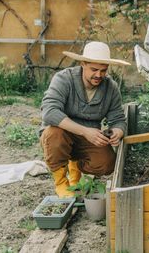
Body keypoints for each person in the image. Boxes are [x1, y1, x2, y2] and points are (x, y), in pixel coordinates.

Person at [40, 41, 130, 197]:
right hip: (62, 133)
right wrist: (84, 131)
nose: (99, 75)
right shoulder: (64, 79)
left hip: (88, 139)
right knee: (54, 134)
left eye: (103, 70)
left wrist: (117, 131)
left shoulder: (110, 88)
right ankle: (61, 183)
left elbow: (118, 119)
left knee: (107, 163)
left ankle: (75, 170)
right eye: (94, 69)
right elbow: (49, 112)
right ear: (83, 64)